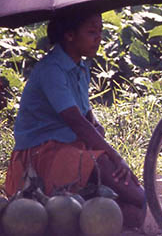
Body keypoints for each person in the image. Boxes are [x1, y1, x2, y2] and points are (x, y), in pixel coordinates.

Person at [4, 12, 146, 229]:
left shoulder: (80, 67)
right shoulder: (51, 70)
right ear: (70, 35)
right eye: (91, 32)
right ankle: (150, 204)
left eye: (100, 31)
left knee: (133, 213)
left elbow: (86, 115)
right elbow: (76, 122)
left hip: (67, 150)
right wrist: (115, 156)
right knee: (116, 176)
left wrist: (97, 127)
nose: (98, 37)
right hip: (38, 158)